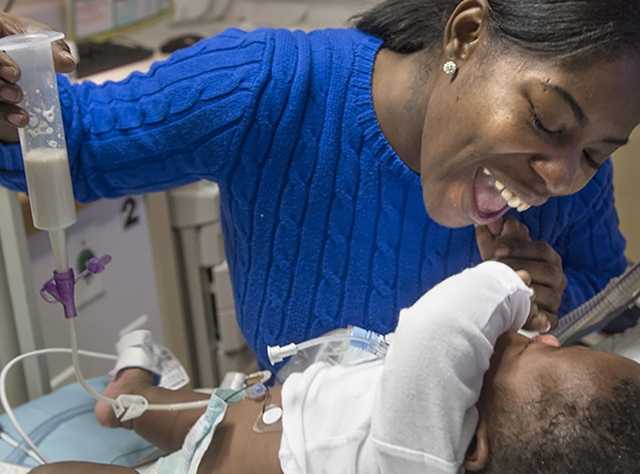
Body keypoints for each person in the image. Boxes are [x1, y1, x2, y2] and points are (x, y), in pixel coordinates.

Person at [0, 0, 638, 367]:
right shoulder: (266, 88)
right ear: (467, 35)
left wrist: (548, 299)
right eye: (547, 121)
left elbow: (609, 298)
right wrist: (14, 90)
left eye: (595, 152)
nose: (561, 177)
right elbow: (72, 143)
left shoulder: (575, 185)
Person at [21, 262, 640, 474]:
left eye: (544, 355)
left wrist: (512, 286)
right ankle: (132, 397)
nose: (547, 338)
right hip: (239, 411)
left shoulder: (422, 458)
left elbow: (440, 328)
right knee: (180, 411)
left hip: (203, 473)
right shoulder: (435, 418)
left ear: (473, 445)